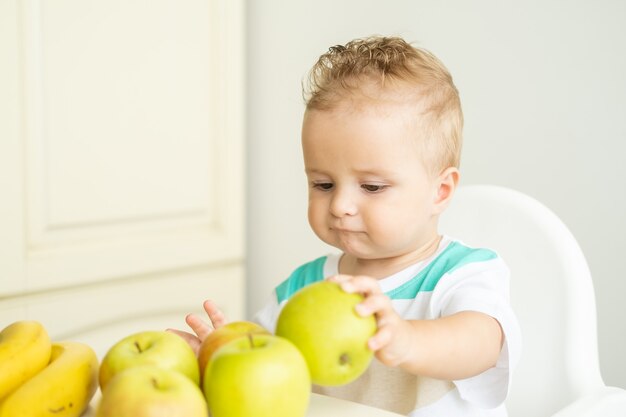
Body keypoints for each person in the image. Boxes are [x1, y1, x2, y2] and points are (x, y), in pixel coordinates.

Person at [170, 35, 521, 417]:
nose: (339, 205)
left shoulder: (462, 273)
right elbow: (273, 364)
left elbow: (481, 344)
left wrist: (406, 340)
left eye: (371, 187)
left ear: (440, 191)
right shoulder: (302, 289)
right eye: (323, 184)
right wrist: (225, 350)